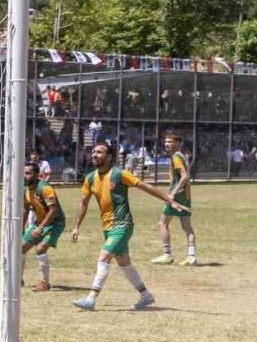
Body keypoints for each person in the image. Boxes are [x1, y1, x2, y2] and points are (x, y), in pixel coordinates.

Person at [70, 141, 190, 311]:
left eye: (99, 152)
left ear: (109, 156)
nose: (94, 155)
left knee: (104, 257)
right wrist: (76, 226)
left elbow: (145, 186)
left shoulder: (120, 174)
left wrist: (170, 200)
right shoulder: (90, 178)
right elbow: (83, 202)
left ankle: (91, 299)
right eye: (94, 152)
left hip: (123, 224)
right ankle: (146, 295)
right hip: (108, 227)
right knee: (124, 264)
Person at [151, 131, 198, 266]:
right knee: (187, 227)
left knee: (163, 223)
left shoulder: (176, 157)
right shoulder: (180, 156)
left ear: (178, 143)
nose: (167, 144)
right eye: (165, 141)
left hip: (177, 196)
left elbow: (185, 176)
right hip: (186, 195)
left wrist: (173, 193)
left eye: (170, 142)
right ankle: (191, 256)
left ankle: (167, 255)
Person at [22, 162, 65, 291]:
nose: (25, 176)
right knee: (21, 247)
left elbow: (53, 210)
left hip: (55, 223)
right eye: (24, 173)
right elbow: (25, 209)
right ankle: (18, 279)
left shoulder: (45, 188)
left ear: (37, 175)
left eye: (28, 173)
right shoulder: (26, 189)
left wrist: (40, 228)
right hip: (39, 222)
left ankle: (44, 283)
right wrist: (21, 227)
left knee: (40, 249)